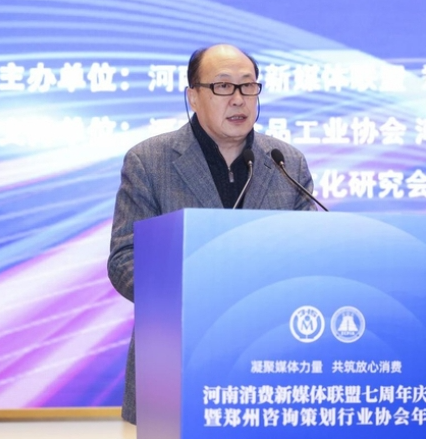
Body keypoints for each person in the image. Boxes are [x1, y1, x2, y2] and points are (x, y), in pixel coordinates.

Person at [107, 44, 317, 424]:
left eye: (248, 86)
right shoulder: (149, 162)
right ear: (193, 96)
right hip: (174, 362)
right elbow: (124, 260)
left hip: (268, 362)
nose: (238, 99)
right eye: (223, 86)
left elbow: (311, 257)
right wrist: (197, 297)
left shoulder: (286, 162)